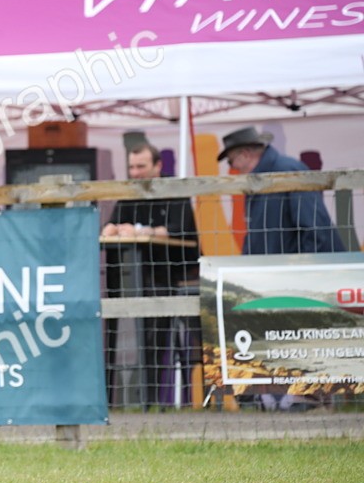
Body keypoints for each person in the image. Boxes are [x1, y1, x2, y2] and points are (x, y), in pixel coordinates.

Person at [101, 139, 200, 406]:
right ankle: (113, 400)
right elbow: (114, 223)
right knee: (111, 327)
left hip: (166, 275)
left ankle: (150, 399)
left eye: (141, 166)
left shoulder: (175, 191)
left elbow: (181, 231)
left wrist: (143, 231)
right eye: (131, 167)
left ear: (158, 166)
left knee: (155, 333)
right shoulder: (130, 192)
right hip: (127, 277)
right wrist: (111, 228)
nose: (135, 173)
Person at [220, 127, 347, 255]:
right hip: (279, 269)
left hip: (301, 270)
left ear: (245, 154)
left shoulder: (288, 172)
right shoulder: (258, 181)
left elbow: (315, 228)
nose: (233, 168)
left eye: (230, 161)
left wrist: (304, 268)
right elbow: (256, 237)